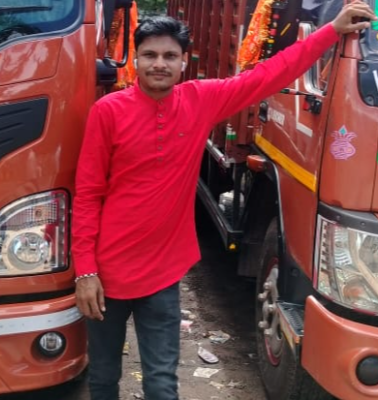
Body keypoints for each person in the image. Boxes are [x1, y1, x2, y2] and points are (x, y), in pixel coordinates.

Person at [71, 2, 376, 399]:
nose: (159, 64)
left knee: (162, 384)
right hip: (106, 275)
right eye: (150, 55)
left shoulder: (200, 100)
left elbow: (269, 74)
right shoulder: (108, 112)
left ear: (183, 63)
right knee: (103, 378)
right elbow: (88, 194)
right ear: (137, 60)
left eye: (169, 56)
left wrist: (331, 31)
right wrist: (85, 272)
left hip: (162, 275)